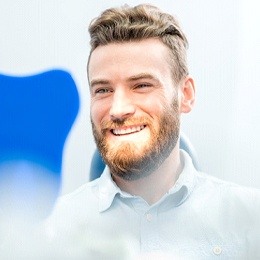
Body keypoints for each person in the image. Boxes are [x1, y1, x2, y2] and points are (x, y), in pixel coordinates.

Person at [45, 4, 260, 259]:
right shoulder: (50, 233)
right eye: (103, 90)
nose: (118, 109)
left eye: (142, 85)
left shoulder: (251, 221)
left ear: (186, 95)